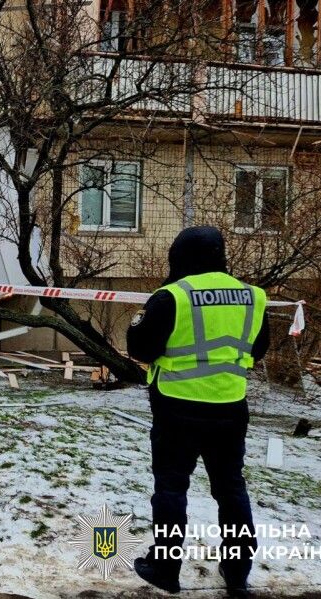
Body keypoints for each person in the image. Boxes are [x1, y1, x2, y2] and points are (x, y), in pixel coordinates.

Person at [127, 226, 269, 598]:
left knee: (172, 488)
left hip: (177, 409)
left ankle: (166, 567)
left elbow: (141, 349)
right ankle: (238, 572)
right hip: (230, 408)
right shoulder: (253, 297)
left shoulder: (172, 297)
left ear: (180, 257)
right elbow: (259, 349)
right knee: (231, 489)